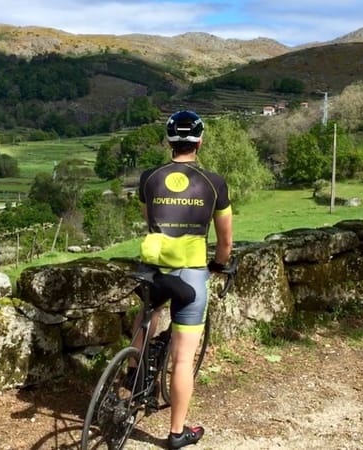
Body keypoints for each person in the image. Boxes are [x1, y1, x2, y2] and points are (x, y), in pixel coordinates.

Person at [131, 110, 233, 449]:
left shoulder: (149, 177)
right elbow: (226, 240)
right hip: (190, 275)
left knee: (146, 316)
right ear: (199, 141)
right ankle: (177, 433)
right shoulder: (214, 183)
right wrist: (218, 265)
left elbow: (151, 220)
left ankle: (134, 374)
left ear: (169, 140)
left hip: (153, 268)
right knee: (183, 359)